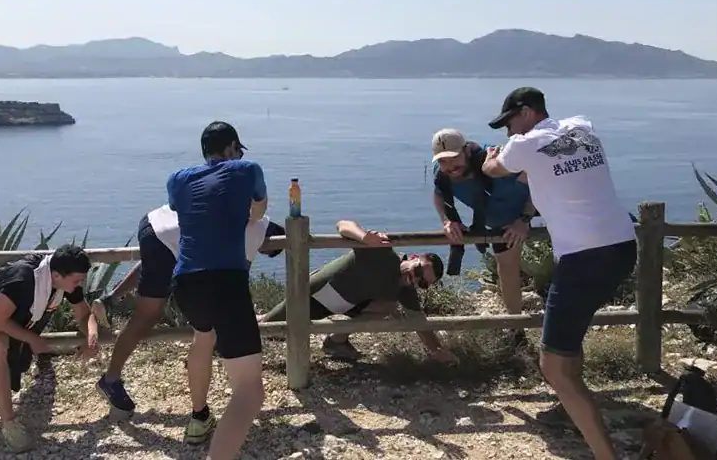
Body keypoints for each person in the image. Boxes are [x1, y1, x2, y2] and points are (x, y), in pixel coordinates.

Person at [482, 87, 637, 460]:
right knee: (568, 351)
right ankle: (576, 409)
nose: (509, 133)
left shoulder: (523, 144)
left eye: (510, 123)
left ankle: (605, 455)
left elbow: (493, 168)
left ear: (528, 111)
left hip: (583, 257)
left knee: (552, 367)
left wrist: (492, 156)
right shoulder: (583, 126)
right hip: (622, 247)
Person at [94, 205, 285, 415]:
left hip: (156, 222)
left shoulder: (244, 211)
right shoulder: (254, 232)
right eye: (265, 252)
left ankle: (111, 298)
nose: (261, 252)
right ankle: (110, 379)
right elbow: (235, 281)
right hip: (166, 237)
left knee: (159, 260)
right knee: (147, 315)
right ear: (267, 241)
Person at [166, 120, 268, 459]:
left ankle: (199, 416)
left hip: (185, 284)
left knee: (204, 336)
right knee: (250, 390)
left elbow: (185, 210)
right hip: (224, 281)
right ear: (231, 149)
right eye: (237, 150)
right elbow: (258, 211)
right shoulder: (247, 169)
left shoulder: (178, 179)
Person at [258, 219, 458, 364]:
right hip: (315, 294)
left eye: (422, 282)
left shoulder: (404, 288)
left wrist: (439, 352)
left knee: (387, 307)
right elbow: (342, 225)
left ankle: (336, 342)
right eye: (418, 270)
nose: (415, 279)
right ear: (413, 257)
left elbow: (419, 322)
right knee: (269, 328)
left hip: (342, 304)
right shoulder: (381, 253)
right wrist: (364, 237)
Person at [0, 244, 97, 453]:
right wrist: (31, 338)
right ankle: (9, 424)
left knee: (14, 352)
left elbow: (84, 315)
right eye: (77, 280)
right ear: (57, 276)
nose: (79, 285)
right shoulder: (23, 279)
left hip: (16, 320)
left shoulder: (62, 277)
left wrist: (92, 338)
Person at [430, 128, 537, 324]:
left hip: (532, 207)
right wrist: (447, 220)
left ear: (467, 151)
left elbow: (537, 175)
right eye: (443, 160)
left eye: (454, 158)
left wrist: (524, 219)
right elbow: (438, 194)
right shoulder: (442, 174)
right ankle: (515, 326)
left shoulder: (495, 159)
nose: (450, 166)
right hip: (500, 222)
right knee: (507, 269)